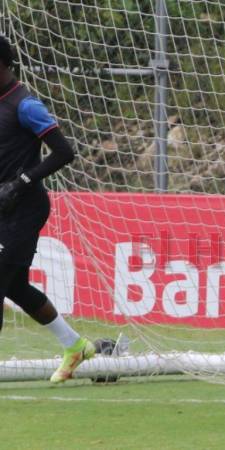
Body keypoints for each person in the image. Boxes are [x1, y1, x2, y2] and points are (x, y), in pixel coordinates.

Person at [0, 35, 95, 383]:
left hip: (24, 208)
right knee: (16, 287)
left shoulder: (25, 106)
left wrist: (21, 181)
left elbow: (64, 152)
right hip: (2, 210)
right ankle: (75, 346)